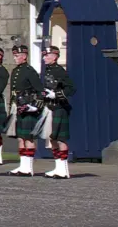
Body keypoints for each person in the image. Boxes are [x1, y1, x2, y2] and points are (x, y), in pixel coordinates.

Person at [6, 44, 44, 176]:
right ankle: (22, 165)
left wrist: (35, 106)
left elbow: (40, 91)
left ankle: (29, 167)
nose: (15, 58)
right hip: (18, 106)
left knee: (28, 137)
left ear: (24, 56)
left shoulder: (30, 71)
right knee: (21, 137)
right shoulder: (16, 71)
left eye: (17, 56)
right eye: (14, 56)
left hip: (28, 107)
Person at [41, 45, 76, 179]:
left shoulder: (59, 71)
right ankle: (58, 167)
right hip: (50, 108)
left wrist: (56, 95)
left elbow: (71, 88)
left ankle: (64, 169)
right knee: (53, 138)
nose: (44, 58)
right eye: (44, 55)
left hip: (59, 107)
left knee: (60, 138)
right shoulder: (48, 70)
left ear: (54, 57)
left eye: (47, 55)